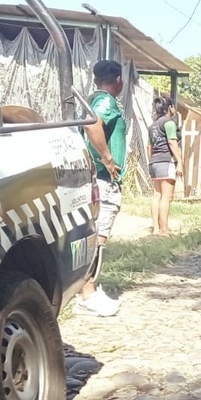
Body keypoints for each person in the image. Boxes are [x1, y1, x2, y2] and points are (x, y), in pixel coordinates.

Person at [76, 59, 127, 317]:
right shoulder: (106, 102)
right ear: (119, 80)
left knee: (91, 235)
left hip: (93, 178)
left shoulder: (92, 99)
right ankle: (88, 294)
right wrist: (107, 157)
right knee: (97, 238)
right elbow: (92, 123)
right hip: (103, 180)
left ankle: (85, 290)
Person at [147, 95, 181, 237]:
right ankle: (164, 230)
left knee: (157, 196)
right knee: (167, 197)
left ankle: (156, 228)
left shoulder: (152, 126)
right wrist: (179, 162)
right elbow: (172, 142)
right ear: (170, 107)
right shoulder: (169, 123)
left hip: (154, 162)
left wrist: (152, 161)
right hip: (166, 161)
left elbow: (149, 146)